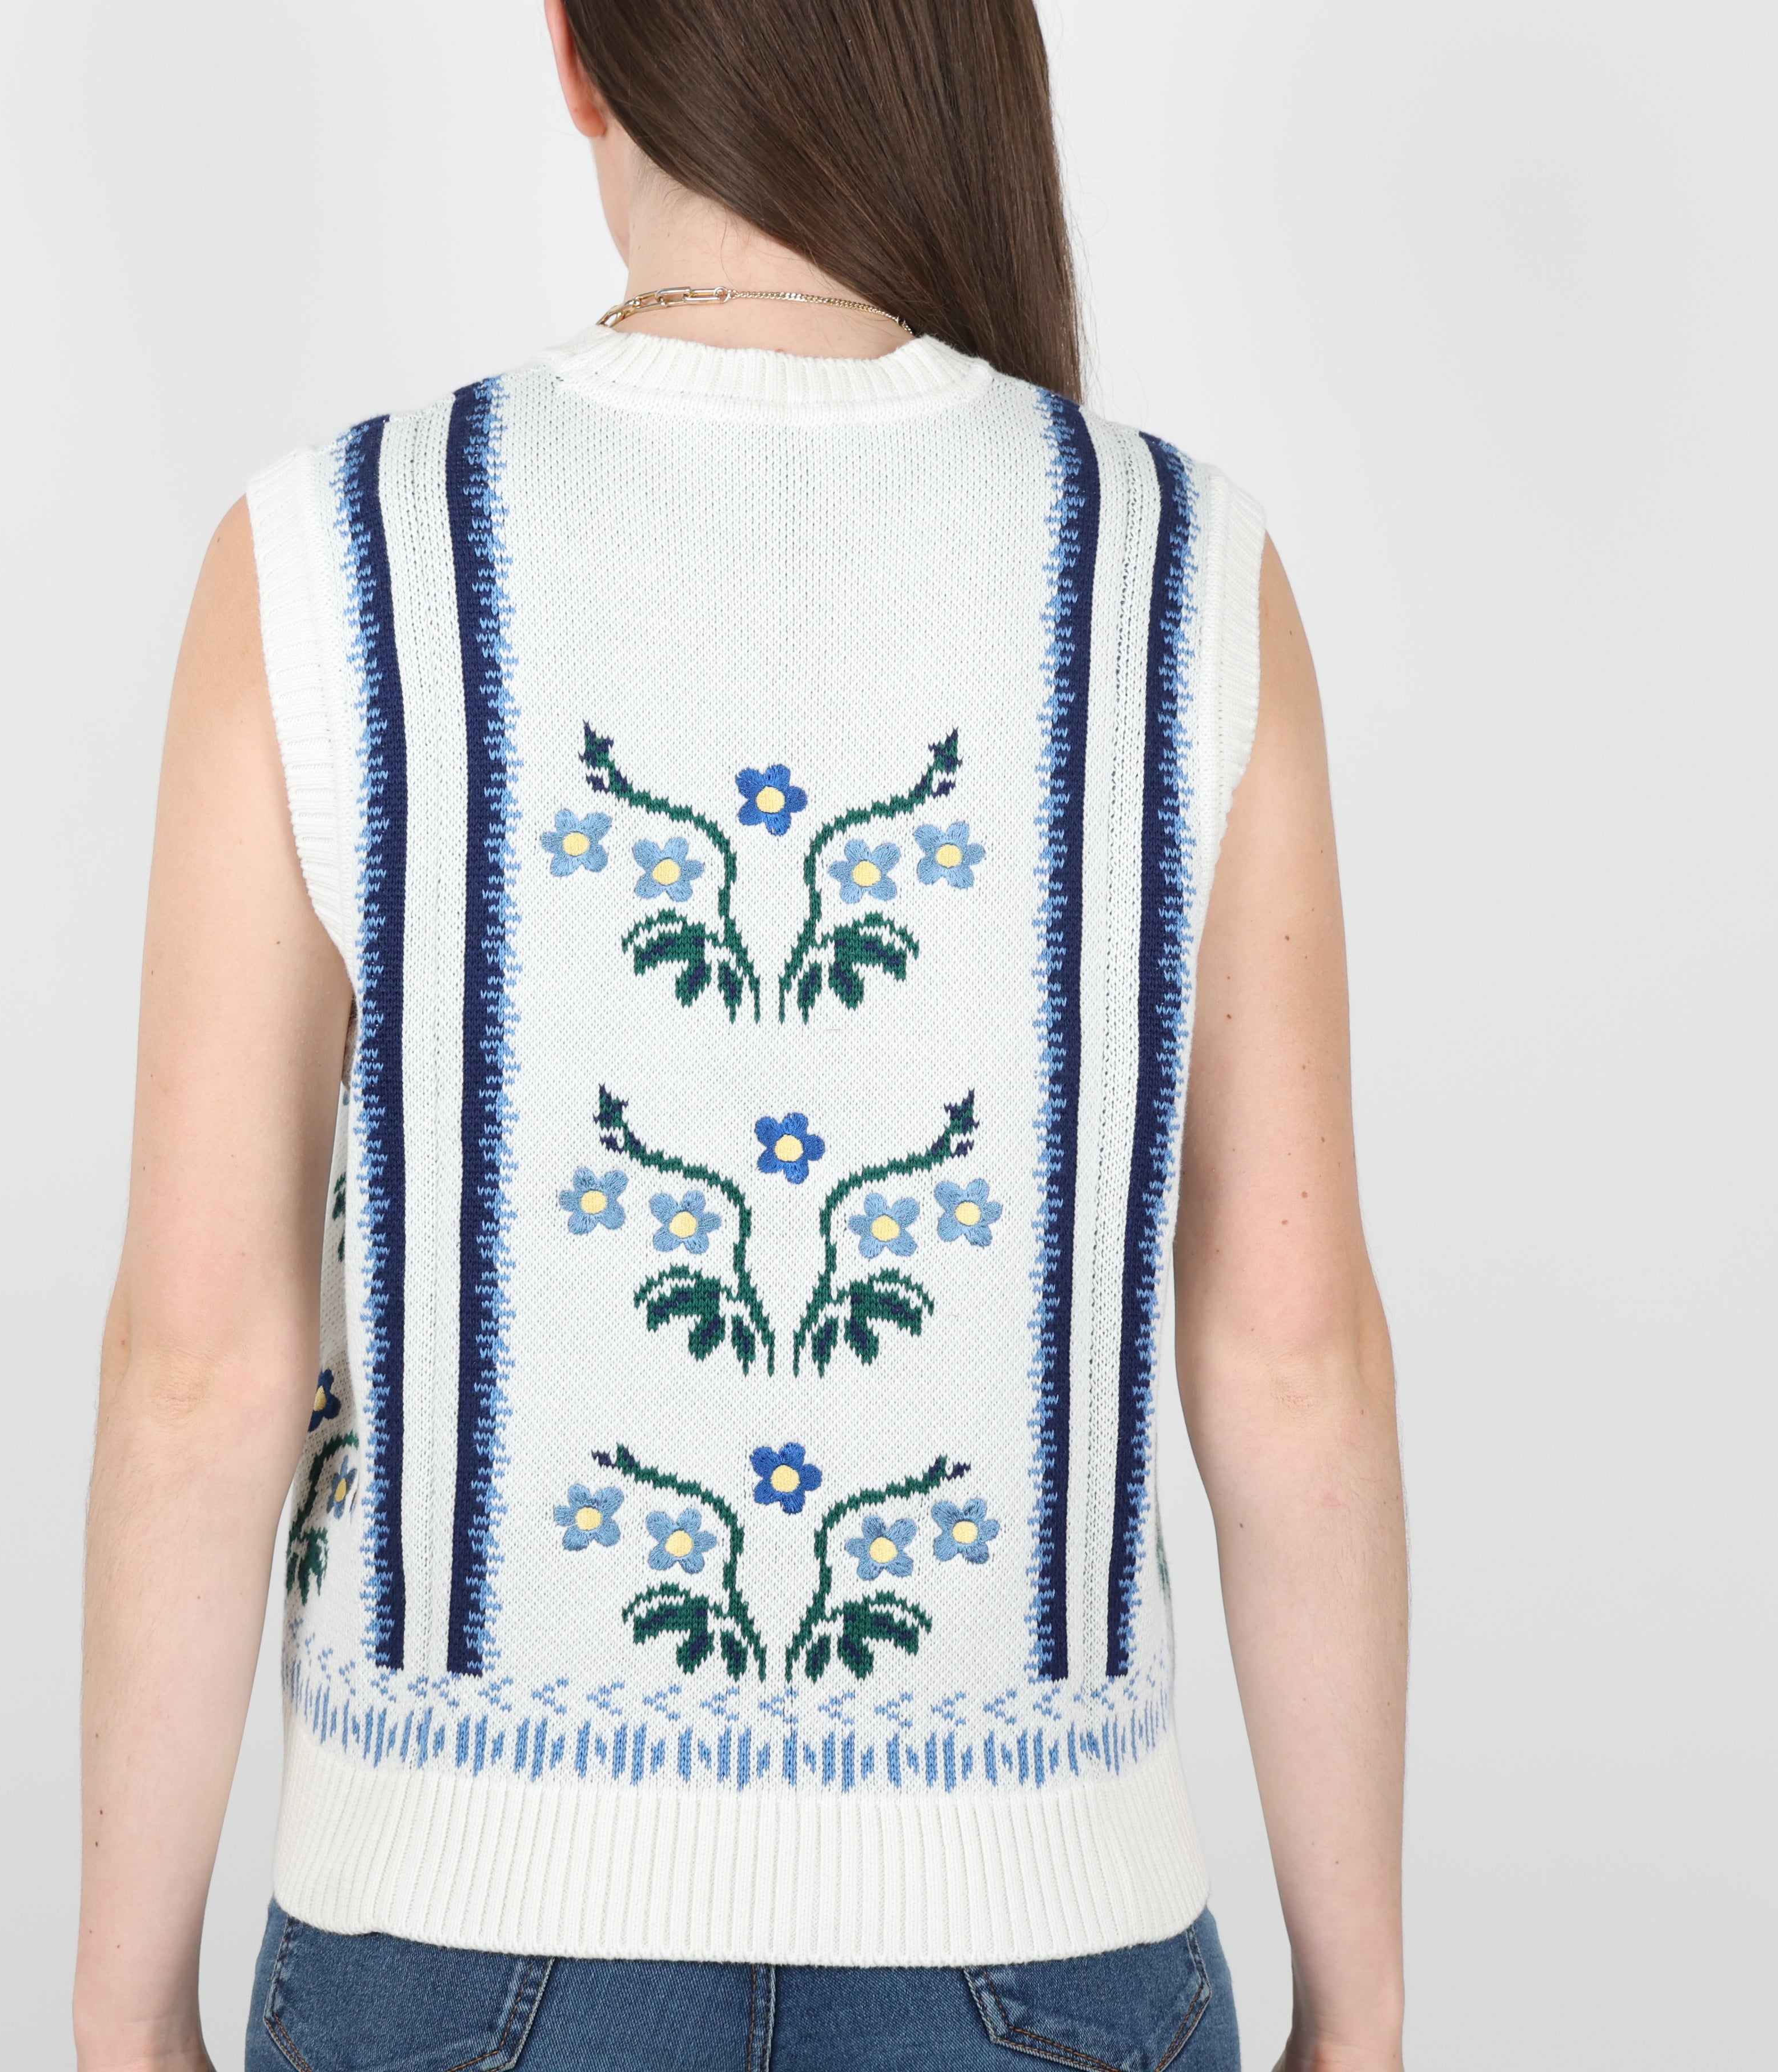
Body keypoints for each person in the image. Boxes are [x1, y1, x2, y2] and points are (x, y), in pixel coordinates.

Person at [73, 2, 1408, 2067]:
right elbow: (1291, 1360)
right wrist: (1364, 2002)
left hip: (450, 1937)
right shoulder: (1179, 566)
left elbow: (204, 1368)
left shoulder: (335, 554)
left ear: (577, 55)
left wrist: (121, 2006)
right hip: (1045, 1938)